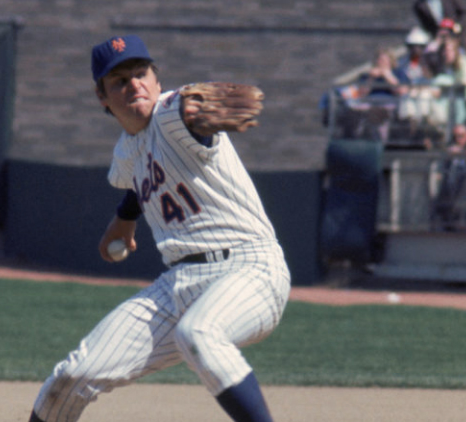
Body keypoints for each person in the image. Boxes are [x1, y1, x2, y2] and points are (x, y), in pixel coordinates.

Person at [26, 35, 291, 422]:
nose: (134, 84)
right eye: (119, 81)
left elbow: (187, 112)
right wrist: (124, 218)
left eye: (141, 73)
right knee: (74, 374)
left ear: (155, 78)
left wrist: (198, 109)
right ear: (102, 97)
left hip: (250, 268)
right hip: (179, 283)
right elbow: (140, 178)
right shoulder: (125, 151)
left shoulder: (172, 113)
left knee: (198, 334)